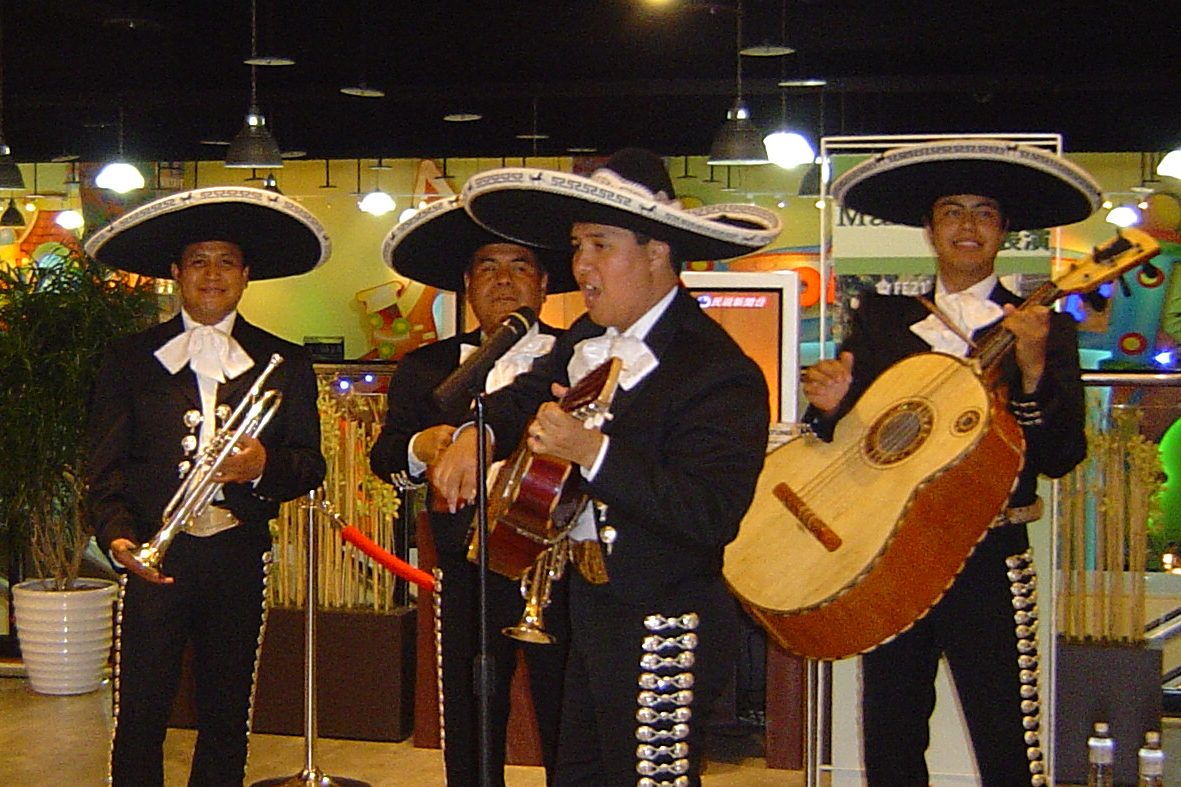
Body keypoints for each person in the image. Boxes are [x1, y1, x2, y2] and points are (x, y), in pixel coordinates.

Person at [430, 148, 781, 787]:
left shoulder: (718, 369)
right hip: (585, 607)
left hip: (664, 619)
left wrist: (590, 452)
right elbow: (523, 395)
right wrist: (476, 434)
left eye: (600, 245)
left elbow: (709, 514)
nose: (581, 266)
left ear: (657, 252)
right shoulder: (583, 341)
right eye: (576, 245)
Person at [804, 139, 1098, 787]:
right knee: (889, 728)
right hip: (894, 552)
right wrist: (826, 407)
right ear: (931, 230)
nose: (967, 225)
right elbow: (847, 436)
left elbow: (1059, 455)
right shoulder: (881, 319)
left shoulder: (1047, 328)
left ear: (1003, 232)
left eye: (984, 212)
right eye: (952, 211)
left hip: (989, 554)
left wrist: (1029, 368)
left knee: (1005, 734)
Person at [84, 187, 330, 787]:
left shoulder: (285, 361)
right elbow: (103, 466)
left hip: (237, 553)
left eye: (226, 262)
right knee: (140, 710)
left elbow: (309, 464)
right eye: (198, 260)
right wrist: (119, 539)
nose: (212, 274)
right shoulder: (128, 358)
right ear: (176, 273)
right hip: (154, 555)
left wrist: (262, 465)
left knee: (227, 711)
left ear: (246, 275)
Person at [368, 195, 577, 787]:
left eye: (519, 266)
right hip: (464, 566)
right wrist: (421, 448)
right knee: (468, 708)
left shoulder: (575, 355)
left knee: (567, 711)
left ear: (542, 282)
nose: (504, 280)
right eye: (488, 266)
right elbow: (386, 459)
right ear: (466, 282)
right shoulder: (426, 366)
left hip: (558, 563)